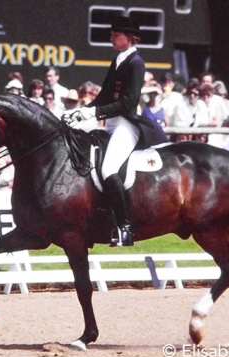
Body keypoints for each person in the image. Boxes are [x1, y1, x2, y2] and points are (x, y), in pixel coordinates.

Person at [63, 15, 168, 246]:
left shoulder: (136, 63)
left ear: (129, 38)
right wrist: (81, 112)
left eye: (115, 35)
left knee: (109, 167)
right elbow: (103, 96)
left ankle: (126, 226)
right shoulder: (118, 60)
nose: (111, 38)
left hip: (125, 125)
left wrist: (94, 113)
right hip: (109, 122)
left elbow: (128, 103)